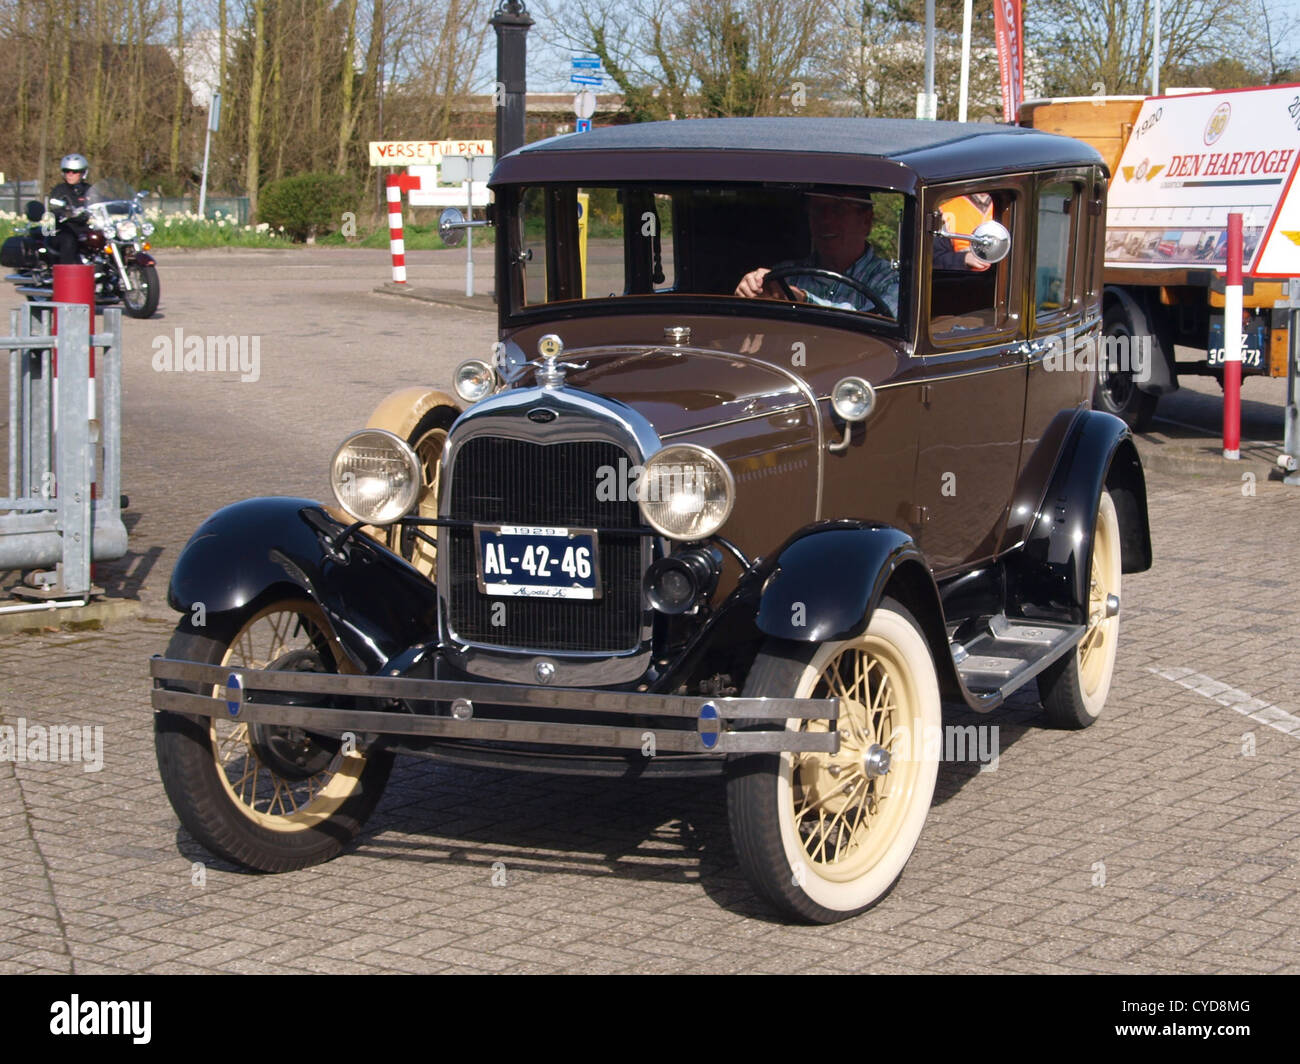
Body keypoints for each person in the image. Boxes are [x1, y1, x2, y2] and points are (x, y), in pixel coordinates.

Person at [734, 193, 899, 317]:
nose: (825, 220)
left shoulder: (892, 281)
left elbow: (877, 328)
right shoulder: (783, 276)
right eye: (818, 210)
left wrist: (803, 300)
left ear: (866, 221)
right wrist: (750, 293)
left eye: (838, 209)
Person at [47, 153, 93, 266]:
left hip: (84, 229)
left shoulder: (90, 190)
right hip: (64, 229)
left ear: (83, 173)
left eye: (74, 172)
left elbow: (101, 202)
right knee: (68, 240)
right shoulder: (60, 190)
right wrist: (65, 212)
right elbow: (54, 207)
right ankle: (66, 275)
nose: (70, 174)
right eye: (67, 171)